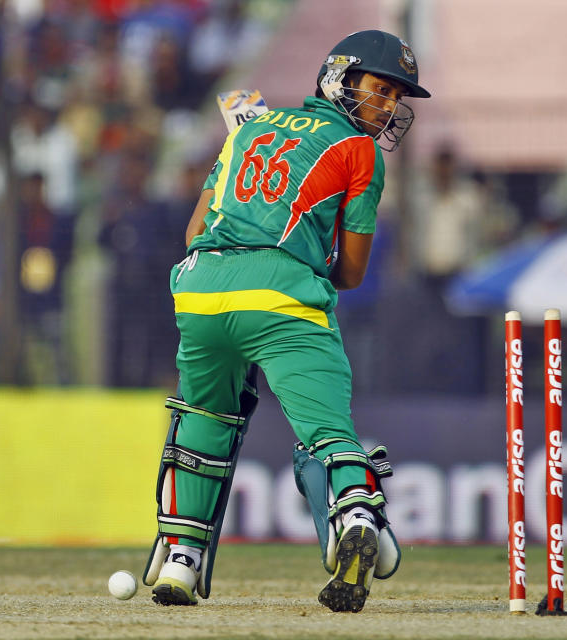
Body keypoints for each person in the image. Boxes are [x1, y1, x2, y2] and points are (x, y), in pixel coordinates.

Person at [142, 30, 430, 613]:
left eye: (398, 97)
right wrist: (298, 255)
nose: (389, 106)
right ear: (341, 79)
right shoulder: (359, 150)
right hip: (279, 295)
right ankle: (356, 515)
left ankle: (180, 555)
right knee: (326, 431)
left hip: (198, 292)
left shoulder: (249, 127)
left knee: (203, 416)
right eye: (380, 89)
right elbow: (350, 272)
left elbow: (196, 230)